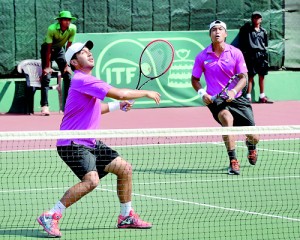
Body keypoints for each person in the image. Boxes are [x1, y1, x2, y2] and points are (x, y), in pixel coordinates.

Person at [37, 40, 161, 237]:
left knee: (124, 169)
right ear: (75, 63)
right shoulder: (81, 80)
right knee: (92, 181)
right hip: (72, 142)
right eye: (83, 53)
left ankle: (126, 216)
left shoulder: (86, 81)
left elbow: (96, 109)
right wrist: (145, 93)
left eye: (89, 51)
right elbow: (120, 93)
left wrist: (116, 106)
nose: (89, 54)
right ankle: (51, 215)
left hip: (89, 142)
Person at [191, 20, 259, 175]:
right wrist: (203, 93)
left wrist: (234, 91)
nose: (217, 32)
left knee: (255, 136)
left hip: (238, 98)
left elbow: (243, 77)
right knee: (227, 119)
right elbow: (194, 79)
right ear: (210, 34)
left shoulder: (235, 53)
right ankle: (233, 161)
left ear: (225, 33)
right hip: (217, 101)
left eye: (220, 29)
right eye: (214, 29)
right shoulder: (202, 56)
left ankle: (251, 145)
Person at [40, 10, 77, 116]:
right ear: (60, 21)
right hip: (47, 50)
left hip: (60, 50)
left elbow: (69, 47)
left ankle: (68, 106)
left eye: (69, 20)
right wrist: (47, 66)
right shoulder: (51, 29)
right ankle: (44, 106)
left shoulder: (73, 29)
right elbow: (48, 48)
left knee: (68, 76)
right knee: (46, 77)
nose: (67, 22)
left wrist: (67, 64)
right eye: (65, 20)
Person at [238, 11, 273, 103]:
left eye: (258, 18)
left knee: (262, 76)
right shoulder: (247, 30)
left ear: (261, 20)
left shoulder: (263, 31)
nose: (256, 19)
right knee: (250, 76)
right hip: (251, 55)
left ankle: (262, 96)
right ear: (252, 19)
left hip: (262, 56)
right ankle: (248, 97)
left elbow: (265, 43)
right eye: (254, 17)